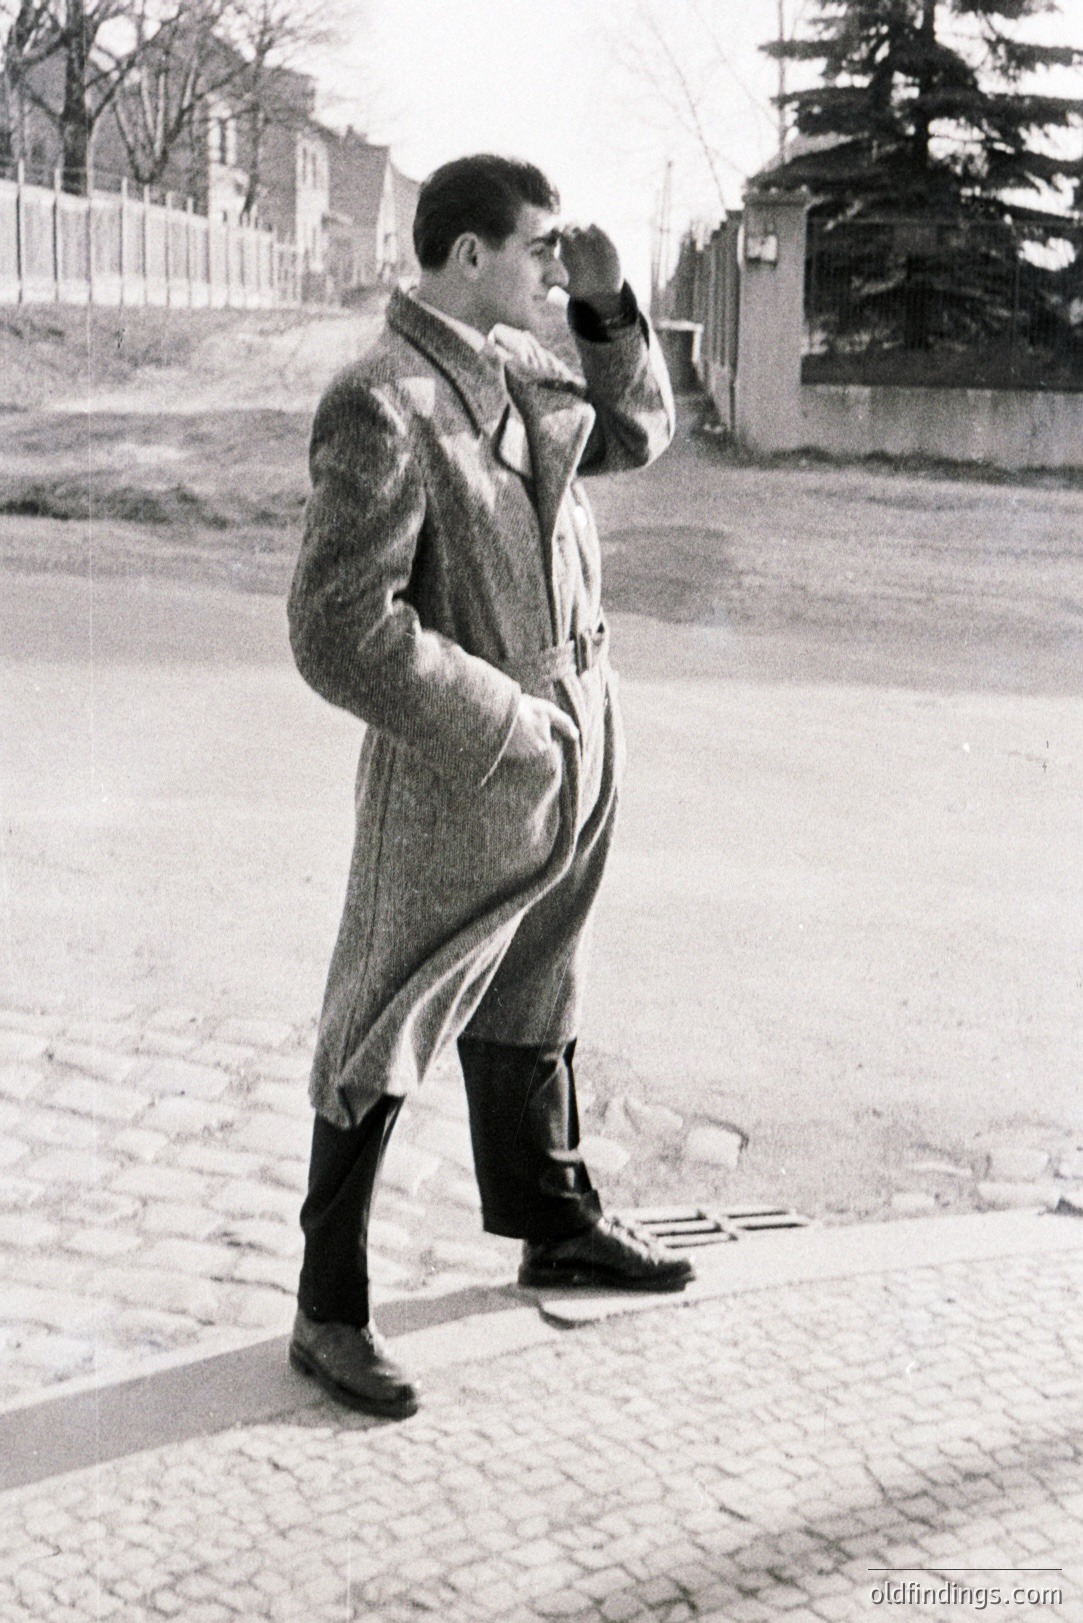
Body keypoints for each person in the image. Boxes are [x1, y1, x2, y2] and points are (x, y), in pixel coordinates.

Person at [286, 153, 692, 1420]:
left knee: (541, 980)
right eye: (536, 250)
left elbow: (637, 432)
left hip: (577, 733)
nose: (547, 267)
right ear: (469, 257)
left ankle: (554, 1222)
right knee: (386, 1015)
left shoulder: (515, 365)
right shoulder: (385, 401)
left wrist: (613, 311)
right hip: (476, 761)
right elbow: (339, 628)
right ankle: (327, 1308)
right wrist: (504, 720)